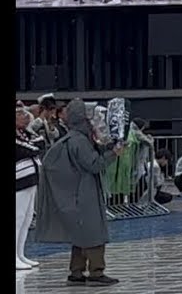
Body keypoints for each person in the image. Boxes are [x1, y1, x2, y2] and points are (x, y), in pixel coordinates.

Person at [35, 99, 124, 286]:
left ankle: (76, 272)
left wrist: (105, 147)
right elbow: (94, 164)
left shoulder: (72, 138)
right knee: (94, 234)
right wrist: (113, 154)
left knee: (80, 235)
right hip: (86, 194)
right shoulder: (79, 141)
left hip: (78, 194)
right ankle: (96, 272)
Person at [17, 103, 42, 271]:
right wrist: (35, 146)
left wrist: (36, 145)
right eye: (20, 114)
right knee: (17, 219)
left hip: (30, 180)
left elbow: (40, 143)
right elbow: (29, 149)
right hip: (18, 181)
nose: (25, 116)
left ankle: (20, 253)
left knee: (26, 219)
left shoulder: (25, 133)